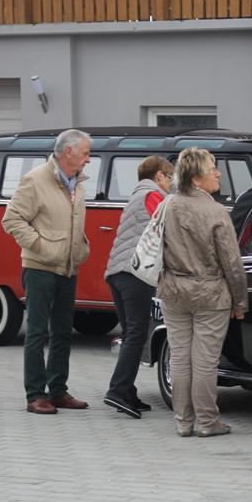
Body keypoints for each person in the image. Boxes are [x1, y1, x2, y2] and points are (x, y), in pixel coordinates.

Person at [2, 129, 93, 415]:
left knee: (63, 332)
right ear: (68, 152)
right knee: (38, 333)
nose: (88, 160)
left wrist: (79, 248)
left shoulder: (77, 183)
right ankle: (35, 395)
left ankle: (58, 391)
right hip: (40, 267)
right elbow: (12, 219)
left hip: (68, 267)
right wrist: (40, 246)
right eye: (86, 153)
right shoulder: (35, 180)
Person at [159, 148, 248, 438]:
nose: (218, 173)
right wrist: (240, 301)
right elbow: (232, 263)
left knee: (181, 358)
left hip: (173, 290)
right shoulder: (216, 212)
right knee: (205, 361)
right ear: (196, 178)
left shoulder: (167, 205)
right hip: (210, 293)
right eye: (213, 169)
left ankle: (183, 422)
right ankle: (207, 422)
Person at [102, 156, 174, 419]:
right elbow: (169, 228)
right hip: (136, 274)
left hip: (117, 273)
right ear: (158, 176)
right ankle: (118, 391)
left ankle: (127, 390)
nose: (171, 182)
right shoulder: (153, 195)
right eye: (169, 176)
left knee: (132, 333)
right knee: (137, 333)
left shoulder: (136, 195)